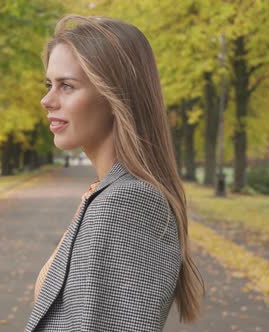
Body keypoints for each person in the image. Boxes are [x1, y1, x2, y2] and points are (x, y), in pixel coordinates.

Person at [25, 15, 204, 332]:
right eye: (48, 84)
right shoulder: (106, 193)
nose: (47, 100)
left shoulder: (129, 202)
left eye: (67, 86)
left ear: (115, 96)